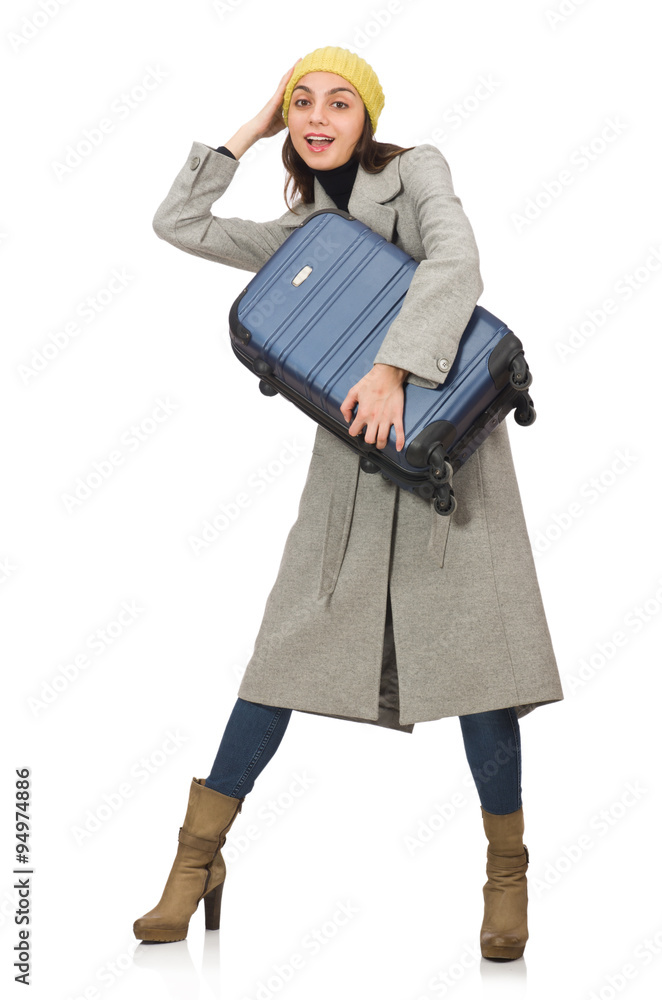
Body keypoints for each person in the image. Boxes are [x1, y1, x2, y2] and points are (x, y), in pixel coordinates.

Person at [133, 46, 564, 961]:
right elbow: (179, 223)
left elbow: (459, 260)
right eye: (301, 102)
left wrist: (392, 366)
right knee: (283, 656)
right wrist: (247, 132)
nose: (317, 118)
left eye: (339, 102)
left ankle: (508, 875)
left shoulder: (417, 171)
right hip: (351, 469)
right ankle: (195, 861)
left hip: (447, 451)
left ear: (368, 118)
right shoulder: (300, 231)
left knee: (476, 668)